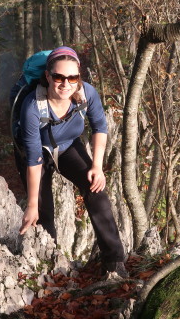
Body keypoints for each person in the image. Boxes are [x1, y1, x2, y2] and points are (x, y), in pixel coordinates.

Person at [15, 46, 126, 276]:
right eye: (58, 77)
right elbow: (34, 157)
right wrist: (31, 204)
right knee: (43, 214)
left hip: (68, 147)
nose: (66, 83)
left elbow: (100, 127)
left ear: (79, 77)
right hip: (35, 156)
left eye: (72, 77)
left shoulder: (87, 93)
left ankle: (114, 261)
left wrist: (97, 166)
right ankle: (52, 269)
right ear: (47, 76)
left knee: (96, 191)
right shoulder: (32, 107)